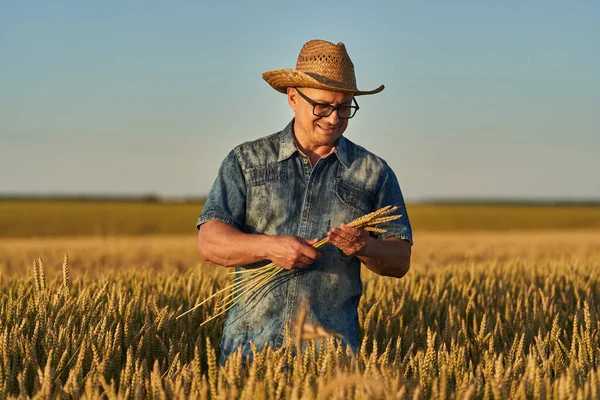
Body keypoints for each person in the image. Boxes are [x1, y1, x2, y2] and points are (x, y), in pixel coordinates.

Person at [197, 39, 413, 364]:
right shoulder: (246, 161)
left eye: (344, 108)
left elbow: (400, 260)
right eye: (323, 106)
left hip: (329, 362)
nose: (333, 118)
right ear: (293, 97)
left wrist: (365, 247)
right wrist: (270, 247)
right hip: (248, 358)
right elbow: (210, 242)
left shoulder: (374, 172)